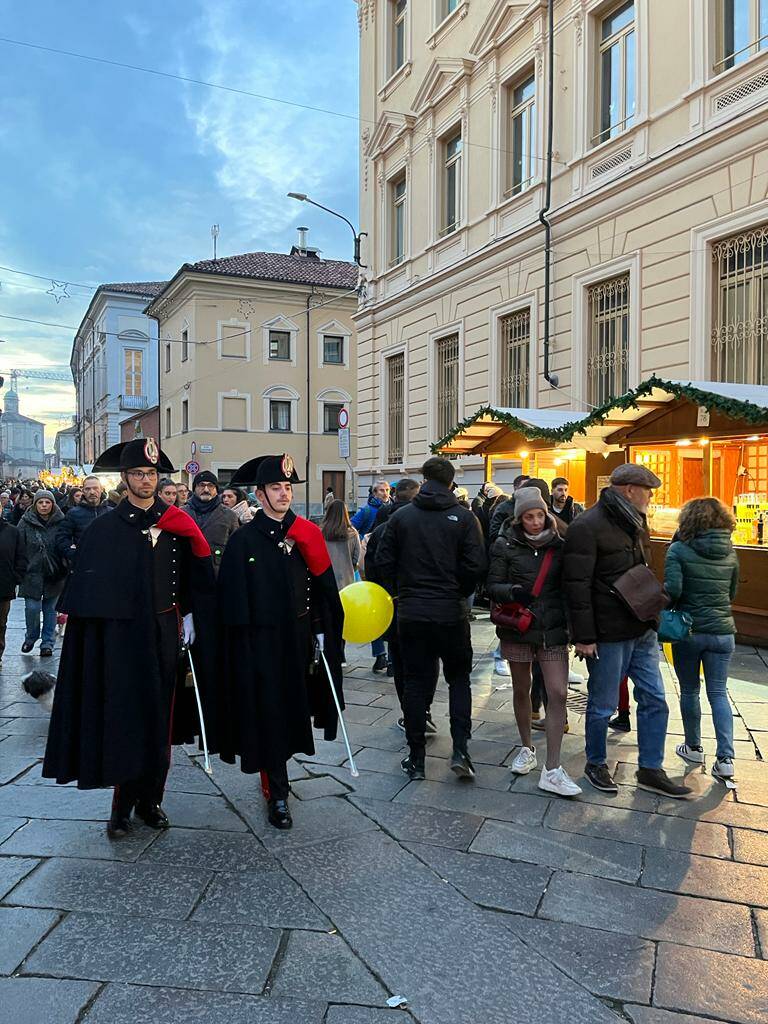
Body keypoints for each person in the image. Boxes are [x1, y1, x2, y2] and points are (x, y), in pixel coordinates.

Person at [42, 438, 215, 837]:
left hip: (165, 631)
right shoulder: (105, 529)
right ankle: (121, 807)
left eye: (152, 474)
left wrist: (189, 613)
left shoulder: (177, 522)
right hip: (122, 637)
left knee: (161, 718)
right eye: (138, 473)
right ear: (124, 478)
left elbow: (195, 575)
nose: (145, 480)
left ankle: (152, 800)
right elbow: (90, 588)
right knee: (125, 718)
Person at [217, 454, 344, 830]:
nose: (284, 494)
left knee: (292, 710)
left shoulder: (306, 534)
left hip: (299, 640)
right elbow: (232, 599)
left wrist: (322, 628)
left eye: (288, 487)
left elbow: (323, 589)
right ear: (259, 494)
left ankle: (277, 779)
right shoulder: (243, 541)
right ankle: (279, 793)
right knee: (269, 714)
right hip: (261, 643)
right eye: (276, 488)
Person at [563, 464, 692, 799]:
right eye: (648, 491)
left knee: (655, 698)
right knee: (603, 703)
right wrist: (585, 636)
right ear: (629, 489)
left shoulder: (636, 520)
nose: (651, 497)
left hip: (642, 625)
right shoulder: (587, 525)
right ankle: (596, 763)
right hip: (608, 631)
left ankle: (651, 767)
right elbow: (576, 586)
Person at [377, 457, 487, 781]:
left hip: (412, 612)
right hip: (451, 613)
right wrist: (457, 592)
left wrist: (401, 591)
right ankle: (461, 750)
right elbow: (475, 567)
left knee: (414, 682)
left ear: (423, 479)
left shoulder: (402, 517)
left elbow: (383, 561)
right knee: (459, 680)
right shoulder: (466, 519)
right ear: (452, 483)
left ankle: (417, 758)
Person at [487, 487, 581, 797]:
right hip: (518, 627)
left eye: (540, 515)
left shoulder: (561, 544)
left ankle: (552, 768)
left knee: (558, 693)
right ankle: (527, 747)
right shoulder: (505, 545)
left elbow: (570, 587)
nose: (536, 522)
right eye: (529, 517)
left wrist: (576, 628)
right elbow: (492, 586)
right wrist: (513, 591)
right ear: (518, 519)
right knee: (521, 688)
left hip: (552, 630)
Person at [664, 497, 740, 781]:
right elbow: (731, 594)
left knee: (689, 690)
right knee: (719, 693)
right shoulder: (730, 552)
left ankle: (693, 746)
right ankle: (726, 759)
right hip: (723, 632)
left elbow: (673, 590)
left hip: (690, 630)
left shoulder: (678, 550)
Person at [366, 478, 438, 731]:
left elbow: (372, 569)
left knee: (400, 661)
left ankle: (411, 714)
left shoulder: (382, 529)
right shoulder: (430, 524)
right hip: (429, 604)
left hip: (395, 605)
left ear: (395, 496)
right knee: (428, 659)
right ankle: (424, 709)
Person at [18, 490, 65, 657]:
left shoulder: (61, 521)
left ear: (52, 504)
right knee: (32, 608)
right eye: (40, 502)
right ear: (35, 504)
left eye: (47, 502)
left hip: (54, 573)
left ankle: (47, 643)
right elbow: (19, 546)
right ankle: (31, 637)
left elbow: (65, 543)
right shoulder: (25, 522)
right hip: (31, 574)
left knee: (51, 610)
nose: (44, 505)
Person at [353, 480, 392, 671]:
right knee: (379, 615)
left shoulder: (393, 506)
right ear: (374, 493)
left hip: (378, 570)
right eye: (381, 491)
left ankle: (386, 657)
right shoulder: (367, 510)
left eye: (387, 490)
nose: (385, 493)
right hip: (372, 562)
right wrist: (361, 542)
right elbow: (353, 527)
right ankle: (382, 656)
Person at [182, 471, 239, 573]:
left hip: (217, 574)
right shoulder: (182, 513)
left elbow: (236, 549)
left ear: (216, 489)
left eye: (210, 486)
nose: (206, 489)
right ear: (194, 488)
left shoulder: (229, 516)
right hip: (186, 573)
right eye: (201, 485)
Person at [54, 475, 108, 568]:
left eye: (95, 488)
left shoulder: (111, 512)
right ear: (83, 491)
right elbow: (62, 537)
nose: (92, 492)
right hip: (84, 566)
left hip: (108, 564)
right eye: (87, 489)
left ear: (101, 489)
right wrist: (73, 554)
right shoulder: (73, 513)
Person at [0, 511, 27, 664]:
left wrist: (16, 577)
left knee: (1, 622)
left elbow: (21, 556)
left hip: (4, 584)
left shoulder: (12, 531)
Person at [321, 499, 360, 592]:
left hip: (325, 581)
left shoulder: (320, 532)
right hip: (347, 581)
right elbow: (356, 558)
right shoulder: (353, 533)